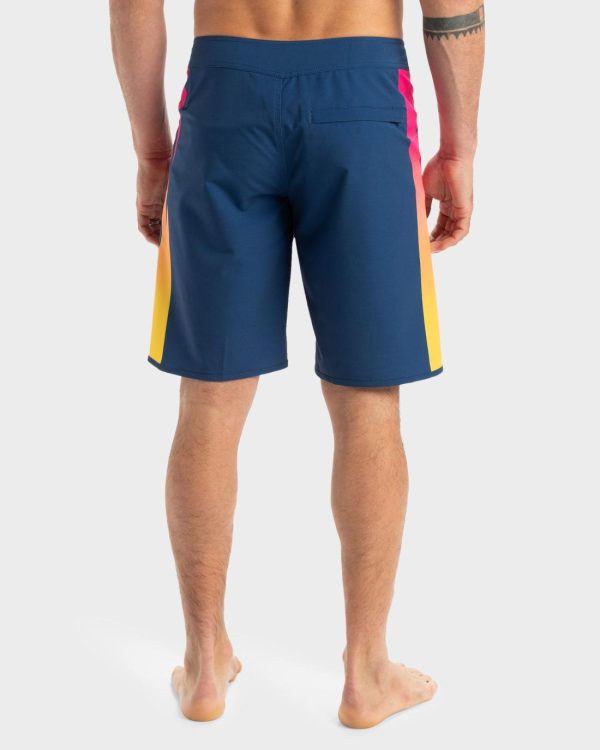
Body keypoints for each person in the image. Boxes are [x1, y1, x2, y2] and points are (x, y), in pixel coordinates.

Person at [110, 0, 484, 729]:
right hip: (362, 94)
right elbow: (453, 7)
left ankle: (205, 665)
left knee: (209, 399)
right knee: (368, 400)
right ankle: (366, 674)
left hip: (225, 94)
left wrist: (153, 151)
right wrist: (461, 148)